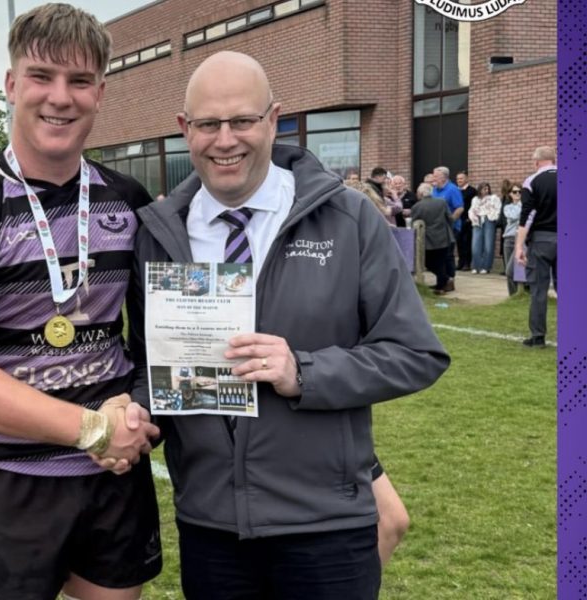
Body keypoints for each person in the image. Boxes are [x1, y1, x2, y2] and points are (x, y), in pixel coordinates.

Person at [128, 51, 450, 598]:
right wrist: (135, 411)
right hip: (211, 527)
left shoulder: (347, 219)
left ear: (274, 119)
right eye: (207, 124)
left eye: (242, 120)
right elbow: (151, 366)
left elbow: (416, 353)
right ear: (185, 128)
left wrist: (303, 372)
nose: (225, 140)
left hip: (325, 525)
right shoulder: (159, 234)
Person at [0, 5, 162, 599]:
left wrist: (138, 415)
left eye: (79, 81)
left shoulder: (129, 201)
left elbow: (158, 341)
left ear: (100, 92)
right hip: (10, 481)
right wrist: (92, 429)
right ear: (12, 84)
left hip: (112, 481)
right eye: (42, 76)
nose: (60, 97)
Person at [516, 146, 557, 347]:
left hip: (542, 240)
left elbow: (527, 216)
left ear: (537, 162)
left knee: (539, 289)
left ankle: (538, 336)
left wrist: (519, 246)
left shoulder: (532, 181)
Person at [411, 182, 456, 295]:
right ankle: (444, 282)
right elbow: (450, 218)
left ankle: (442, 284)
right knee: (441, 261)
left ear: (421, 193)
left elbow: (414, 223)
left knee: (428, 261)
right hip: (443, 236)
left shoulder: (417, 207)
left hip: (428, 239)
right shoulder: (442, 202)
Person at [431, 166, 464, 291]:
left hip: (451, 228)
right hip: (437, 228)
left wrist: (451, 222)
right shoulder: (434, 189)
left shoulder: (452, 189)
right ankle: (441, 281)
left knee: (448, 254)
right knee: (439, 254)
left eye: (436, 176)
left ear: (444, 177)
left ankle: (450, 281)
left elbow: (459, 208)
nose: (433, 178)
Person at [468, 182, 502, 274]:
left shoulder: (493, 198)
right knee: (475, 244)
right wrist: (473, 217)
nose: (486, 190)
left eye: (487, 188)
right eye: (484, 189)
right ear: (479, 190)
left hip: (489, 219)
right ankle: (476, 266)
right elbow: (471, 210)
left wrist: (493, 216)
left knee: (488, 244)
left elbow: (498, 209)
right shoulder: (475, 199)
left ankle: (486, 267)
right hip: (477, 220)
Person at [502, 183, 523, 295]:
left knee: (515, 270)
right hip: (509, 239)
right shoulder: (507, 207)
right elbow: (513, 216)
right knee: (509, 271)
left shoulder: (525, 205)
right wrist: (521, 207)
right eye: (515, 192)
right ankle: (513, 295)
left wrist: (521, 205)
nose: (517, 194)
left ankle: (521, 293)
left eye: (520, 191)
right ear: (510, 194)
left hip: (520, 239)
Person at [455, 171, 477, 271]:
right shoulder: (455, 191)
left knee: (467, 242)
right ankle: (461, 262)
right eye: (458, 179)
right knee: (459, 242)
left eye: (461, 178)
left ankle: (467, 263)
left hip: (467, 220)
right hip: (457, 220)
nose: (459, 180)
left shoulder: (472, 191)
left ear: (466, 179)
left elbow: (474, 206)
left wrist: (470, 218)